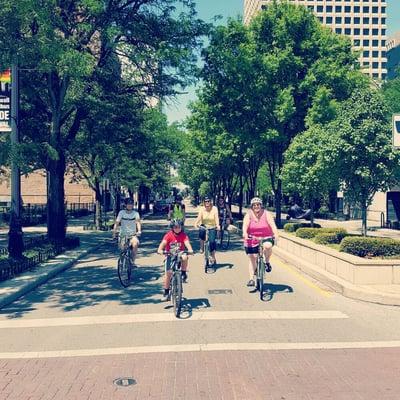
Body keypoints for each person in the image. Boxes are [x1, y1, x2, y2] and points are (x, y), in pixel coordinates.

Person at [242, 197, 279, 287]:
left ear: (261, 206)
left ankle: (267, 262)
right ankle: (251, 279)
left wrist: (276, 234)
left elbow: (272, 225)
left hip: (266, 237)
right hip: (252, 238)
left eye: (258, 205)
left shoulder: (266, 214)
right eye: (254, 205)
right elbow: (245, 225)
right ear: (252, 207)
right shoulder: (248, 215)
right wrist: (245, 234)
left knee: (267, 246)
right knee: (252, 258)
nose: (256, 206)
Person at [157, 218, 194, 301]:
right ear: (172, 228)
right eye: (175, 227)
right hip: (170, 255)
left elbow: (187, 243)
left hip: (180, 254)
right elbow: (162, 244)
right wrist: (160, 250)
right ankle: (166, 292)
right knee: (168, 274)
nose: (177, 229)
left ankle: (183, 273)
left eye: (179, 227)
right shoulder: (168, 235)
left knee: (185, 257)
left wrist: (190, 250)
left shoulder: (183, 235)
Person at [113, 198, 142, 264]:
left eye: (131, 204)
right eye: (128, 204)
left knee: (135, 244)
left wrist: (139, 231)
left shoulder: (135, 213)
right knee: (123, 248)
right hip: (123, 234)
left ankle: (132, 261)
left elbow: (138, 223)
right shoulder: (121, 213)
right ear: (125, 205)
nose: (130, 206)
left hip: (132, 235)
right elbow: (117, 223)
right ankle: (122, 260)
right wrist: (114, 232)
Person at [194, 196, 220, 264]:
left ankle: (213, 255)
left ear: (210, 202)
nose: (207, 202)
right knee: (201, 231)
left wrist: (218, 225)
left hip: (212, 226)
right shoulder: (202, 209)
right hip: (204, 226)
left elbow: (216, 218)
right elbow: (199, 217)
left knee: (212, 242)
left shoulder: (214, 208)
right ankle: (202, 247)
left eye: (208, 201)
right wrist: (196, 223)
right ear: (204, 202)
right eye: (206, 201)